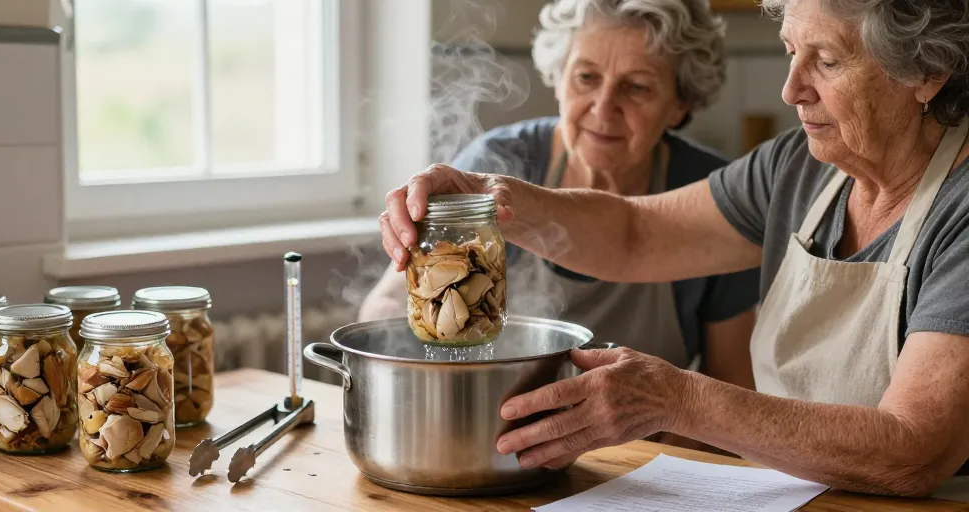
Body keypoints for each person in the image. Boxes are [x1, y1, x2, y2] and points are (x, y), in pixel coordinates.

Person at [378, 0, 969, 497]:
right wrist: (496, 195)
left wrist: (673, 398)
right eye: (791, 51)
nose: (791, 89)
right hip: (788, 494)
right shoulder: (796, 167)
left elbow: (915, 448)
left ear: (926, 73)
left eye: (829, 61)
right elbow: (636, 236)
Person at [359, 0, 762, 437]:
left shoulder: (710, 196)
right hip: (496, 439)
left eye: (637, 87)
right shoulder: (500, 168)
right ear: (558, 78)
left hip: (645, 463)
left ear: (679, 105)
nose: (603, 108)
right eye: (586, 77)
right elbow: (385, 309)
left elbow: (732, 382)